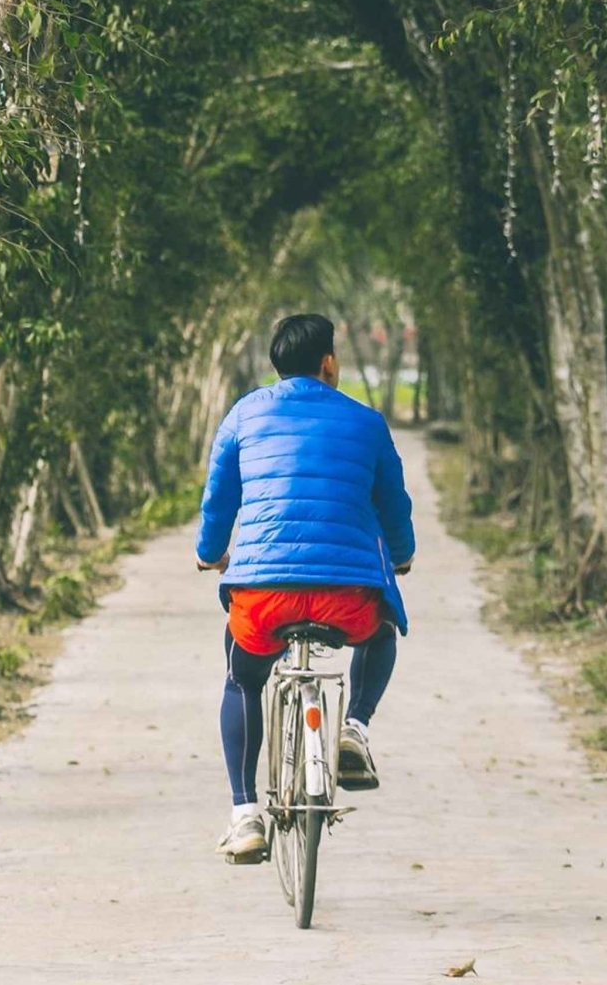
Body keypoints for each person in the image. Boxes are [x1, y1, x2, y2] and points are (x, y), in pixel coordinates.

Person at [195, 312, 415, 864]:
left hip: (264, 598)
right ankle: (354, 728)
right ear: (328, 363)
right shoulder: (367, 422)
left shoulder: (244, 414)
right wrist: (403, 554)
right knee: (382, 629)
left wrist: (210, 553)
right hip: (348, 598)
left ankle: (245, 815)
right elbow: (394, 504)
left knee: (243, 677)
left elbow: (219, 499)